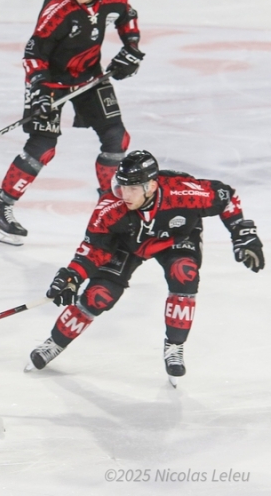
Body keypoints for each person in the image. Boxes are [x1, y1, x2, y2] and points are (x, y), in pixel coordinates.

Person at [26, 150, 264, 385]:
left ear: (150, 186)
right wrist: (73, 275)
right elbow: (94, 248)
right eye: (121, 186)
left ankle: (174, 346)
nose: (124, 194)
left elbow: (227, 196)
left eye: (132, 188)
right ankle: (54, 343)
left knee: (184, 272)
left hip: (176, 238)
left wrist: (242, 232)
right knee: (99, 295)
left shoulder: (183, 193)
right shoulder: (111, 208)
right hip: (128, 244)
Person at [0, 0, 144, 246]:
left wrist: (131, 48)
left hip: (89, 77)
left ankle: (109, 207)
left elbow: (127, 15)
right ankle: (1, 211)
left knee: (116, 138)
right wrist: (39, 90)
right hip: (49, 81)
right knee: (43, 146)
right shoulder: (59, 10)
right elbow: (34, 53)